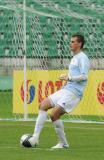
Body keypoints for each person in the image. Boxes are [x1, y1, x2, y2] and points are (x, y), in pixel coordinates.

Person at [29, 33, 90, 149]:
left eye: (73, 42)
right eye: (71, 41)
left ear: (80, 44)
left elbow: (84, 76)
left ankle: (63, 143)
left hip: (74, 93)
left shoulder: (83, 58)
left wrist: (69, 78)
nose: (70, 44)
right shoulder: (75, 58)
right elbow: (74, 76)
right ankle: (35, 137)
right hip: (67, 89)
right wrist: (66, 83)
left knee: (54, 114)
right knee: (43, 105)